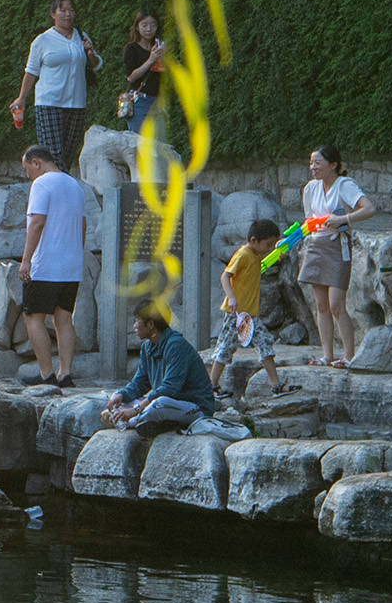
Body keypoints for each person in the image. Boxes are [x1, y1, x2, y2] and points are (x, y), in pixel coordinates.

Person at [106, 303, 237, 437]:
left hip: (194, 408)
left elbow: (170, 389)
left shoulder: (176, 345)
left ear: (150, 324)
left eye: (137, 321)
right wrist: (121, 395)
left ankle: (131, 422)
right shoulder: (147, 348)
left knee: (159, 404)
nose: (134, 325)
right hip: (167, 405)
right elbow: (140, 383)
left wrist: (135, 409)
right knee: (116, 398)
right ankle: (139, 419)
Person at [300, 142, 378, 367]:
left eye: (318, 163)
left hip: (337, 247)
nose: (313, 167)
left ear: (333, 165)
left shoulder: (345, 185)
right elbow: (309, 221)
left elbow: (369, 209)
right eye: (311, 163)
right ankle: (327, 355)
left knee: (336, 304)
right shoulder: (310, 189)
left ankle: (349, 355)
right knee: (321, 305)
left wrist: (343, 220)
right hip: (316, 246)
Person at [18, 142, 86, 386]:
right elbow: (83, 226)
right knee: (64, 318)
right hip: (71, 265)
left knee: (33, 317)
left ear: (36, 163)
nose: (28, 175)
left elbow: (37, 223)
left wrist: (26, 260)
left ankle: (46, 373)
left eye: (28, 169)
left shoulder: (42, 183)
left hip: (46, 263)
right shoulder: (75, 185)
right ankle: (65, 373)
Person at [10, 0, 101, 166]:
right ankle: (56, 190)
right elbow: (31, 72)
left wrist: (90, 53)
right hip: (49, 103)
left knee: (68, 154)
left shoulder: (81, 36)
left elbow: (96, 65)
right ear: (53, 14)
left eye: (71, 10)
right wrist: (21, 98)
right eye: (63, 10)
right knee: (53, 156)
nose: (68, 14)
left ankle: (61, 189)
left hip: (76, 104)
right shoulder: (42, 40)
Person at [213, 214, 287, 399]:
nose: (270, 248)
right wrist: (231, 297)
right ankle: (211, 386)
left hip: (251, 315)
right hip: (235, 313)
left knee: (265, 345)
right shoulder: (243, 254)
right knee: (225, 348)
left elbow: (261, 266)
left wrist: (279, 253)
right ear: (254, 240)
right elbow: (225, 276)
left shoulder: (256, 255)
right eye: (268, 244)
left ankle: (276, 385)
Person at [121, 10, 166, 136]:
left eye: (153, 25)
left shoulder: (158, 47)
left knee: (157, 144)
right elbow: (131, 77)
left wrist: (164, 59)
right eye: (144, 25)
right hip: (140, 101)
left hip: (157, 101)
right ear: (137, 27)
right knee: (140, 143)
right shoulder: (132, 49)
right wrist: (150, 60)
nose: (149, 29)